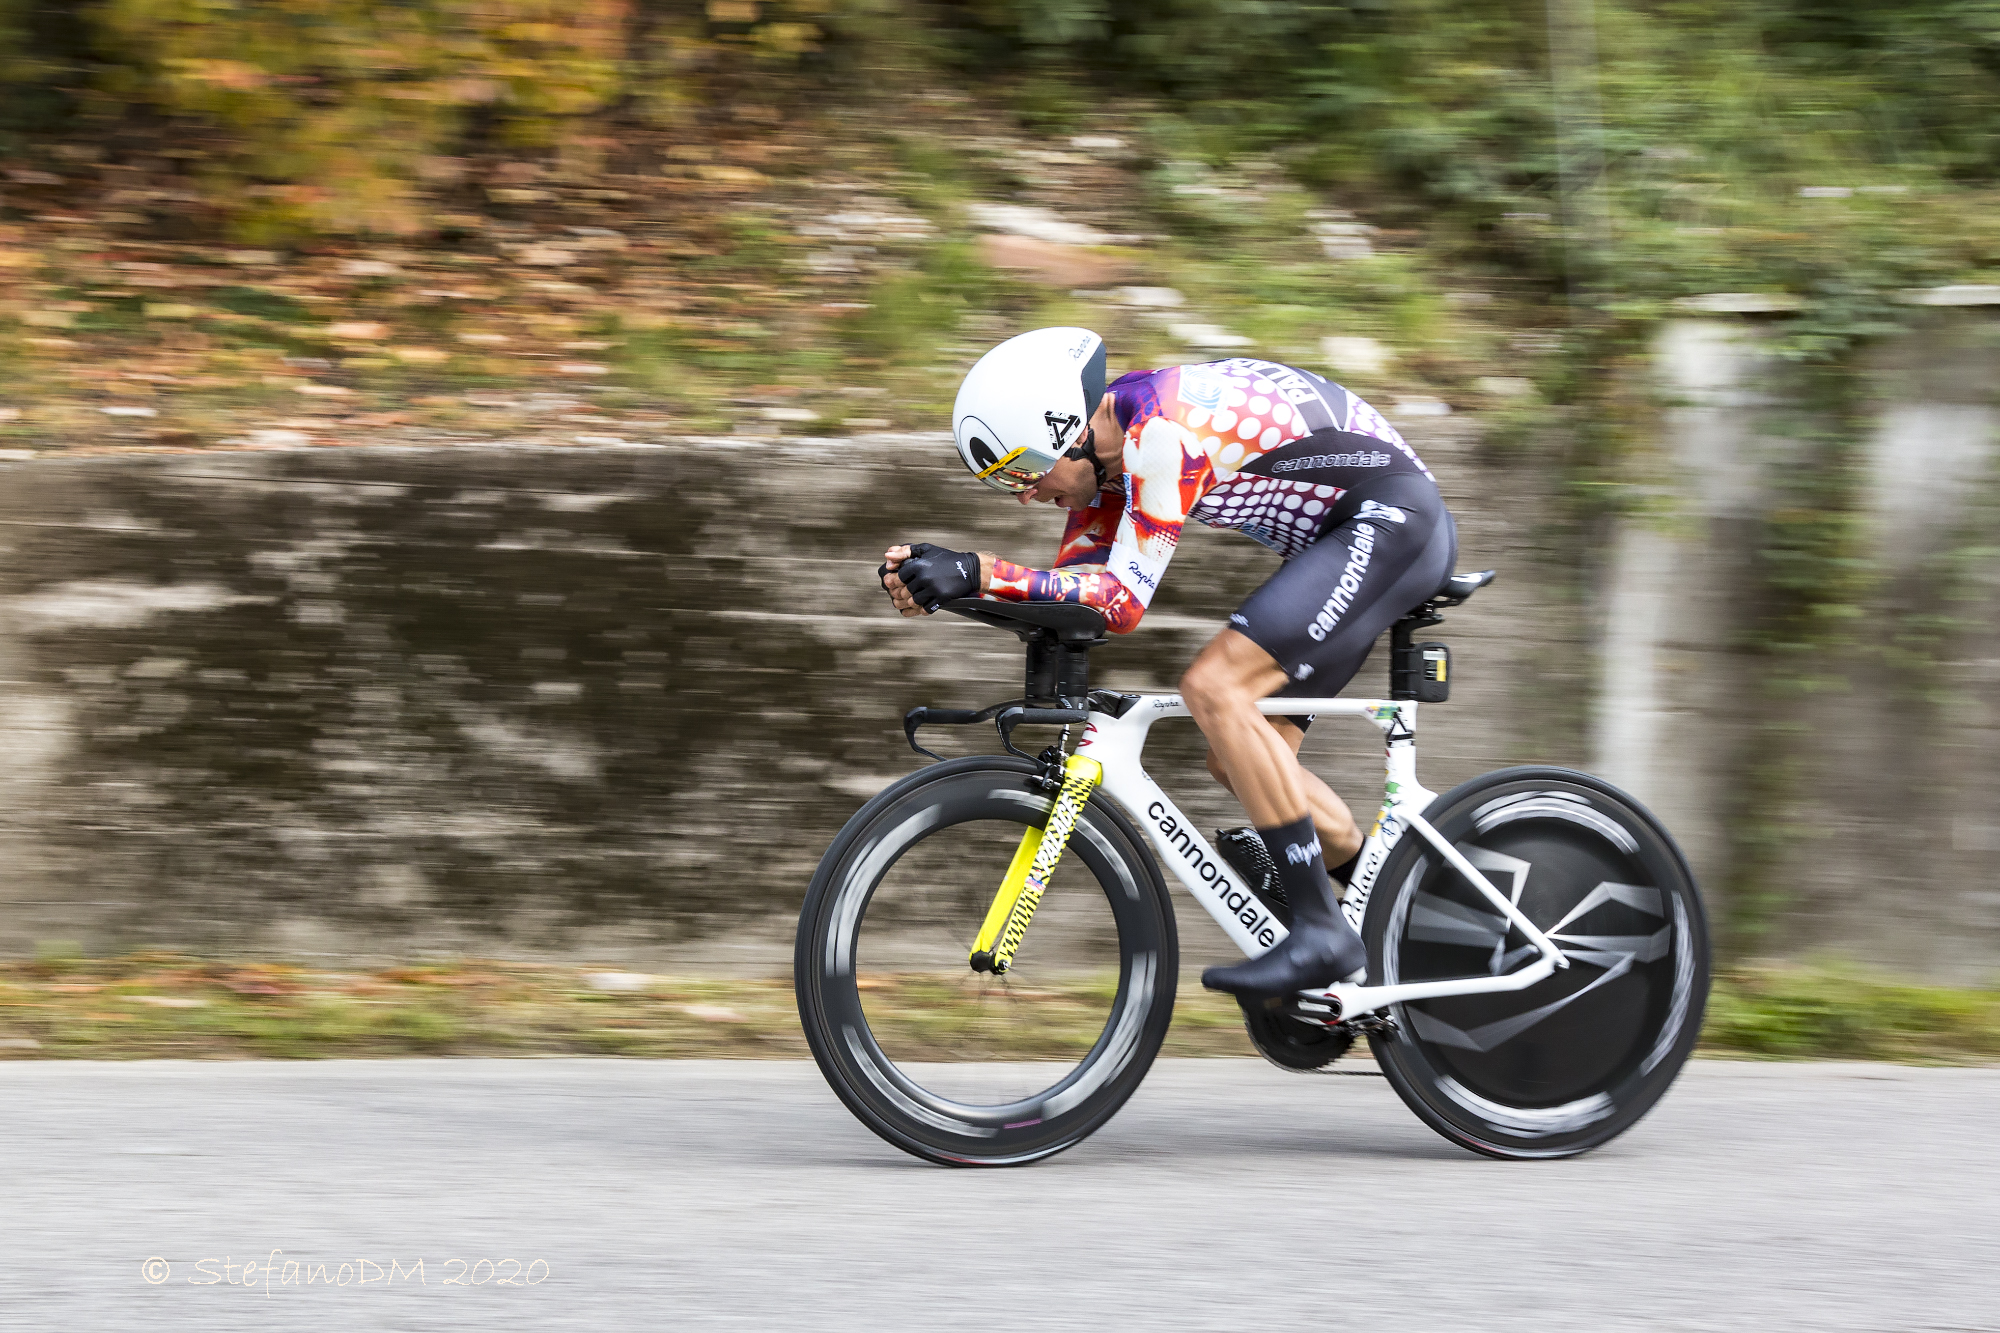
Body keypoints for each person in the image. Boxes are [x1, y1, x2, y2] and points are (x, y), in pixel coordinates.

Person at [879, 327, 1456, 999]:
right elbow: (1076, 603)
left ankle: (1323, 933)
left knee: (1214, 689)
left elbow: (1121, 604)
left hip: (1390, 521)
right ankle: (1400, 915)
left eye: (1021, 472)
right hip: (1344, 538)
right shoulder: (1108, 457)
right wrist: (948, 582)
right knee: (1238, 753)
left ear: (1063, 433)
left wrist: (978, 570)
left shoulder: (1159, 434)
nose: (1024, 496)